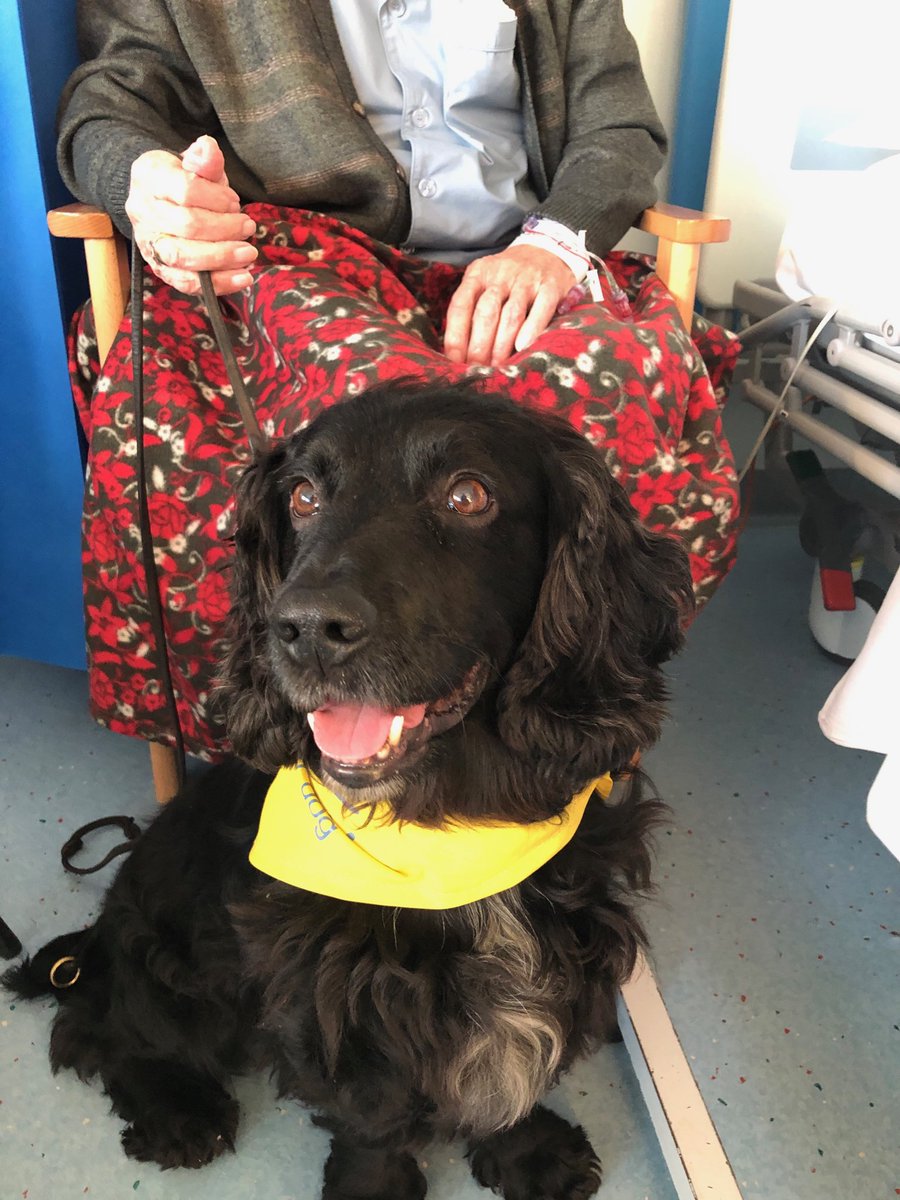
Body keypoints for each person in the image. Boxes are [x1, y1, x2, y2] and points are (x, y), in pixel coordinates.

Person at [58, 0, 741, 757]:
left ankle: (564, 719)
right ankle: (275, 738)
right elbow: (109, 103)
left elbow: (618, 128)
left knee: (617, 389)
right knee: (362, 412)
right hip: (306, 255)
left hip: (522, 254)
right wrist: (146, 183)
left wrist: (555, 243)